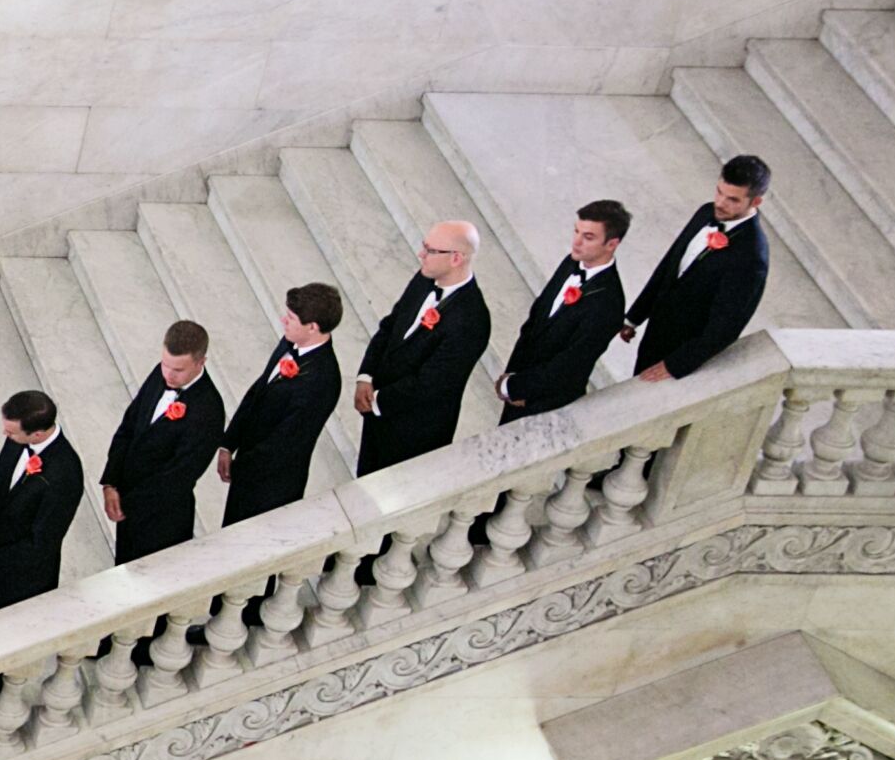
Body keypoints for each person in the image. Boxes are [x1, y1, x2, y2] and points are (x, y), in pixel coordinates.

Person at [353, 223, 490, 473]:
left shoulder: (472, 320)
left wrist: (378, 399)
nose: (421, 254)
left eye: (430, 250)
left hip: (413, 431)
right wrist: (366, 376)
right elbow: (390, 326)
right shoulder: (425, 278)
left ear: (456, 258)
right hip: (378, 411)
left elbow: (432, 383)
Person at [625, 155, 774, 382]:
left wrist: (675, 365)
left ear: (755, 202)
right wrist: (634, 318)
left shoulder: (752, 257)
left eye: (733, 199)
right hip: (656, 332)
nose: (721, 203)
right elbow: (669, 266)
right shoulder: (706, 212)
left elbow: (726, 328)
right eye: (719, 192)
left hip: (682, 355)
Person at [99, 322, 225, 565]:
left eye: (178, 369)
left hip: (162, 519)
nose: (167, 374)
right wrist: (111, 481)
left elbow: (178, 477)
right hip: (129, 506)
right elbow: (129, 427)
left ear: (201, 362)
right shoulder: (161, 374)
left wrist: (127, 502)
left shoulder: (208, 411)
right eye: (165, 364)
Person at [220, 285, 343, 526]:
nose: (283, 320)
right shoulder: (291, 341)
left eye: (292, 318)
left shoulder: (323, 381)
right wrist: (228, 443)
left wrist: (240, 469)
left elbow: (285, 444)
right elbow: (258, 391)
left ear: (313, 327)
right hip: (248, 468)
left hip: (270, 485)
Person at [498, 200, 630, 423]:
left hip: (548, 402)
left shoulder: (608, 305)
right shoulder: (572, 262)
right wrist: (512, 377)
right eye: (576, 231)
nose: (576, 242)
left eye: (588, 237)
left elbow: (570, 365)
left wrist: (517, 388)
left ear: (611, 244)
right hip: (521, 386)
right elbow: (535, 322)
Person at [0, 392, 80, 619]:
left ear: (36, 434)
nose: (5, 434)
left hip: (21, 578)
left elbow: (42, 541)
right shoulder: (18, 439)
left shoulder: (65, 474)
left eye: (11, 432)